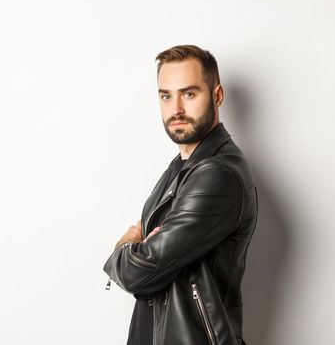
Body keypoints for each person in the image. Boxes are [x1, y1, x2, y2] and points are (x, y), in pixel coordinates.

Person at [103, 45, 259, 345]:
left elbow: (139, 272)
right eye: (166, 95)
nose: (175, 109)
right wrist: (139, 255)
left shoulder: (217, 175)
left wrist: (125, 246)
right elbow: (149, 270)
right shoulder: (183, 167)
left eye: (188, 94)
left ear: (217, 96)